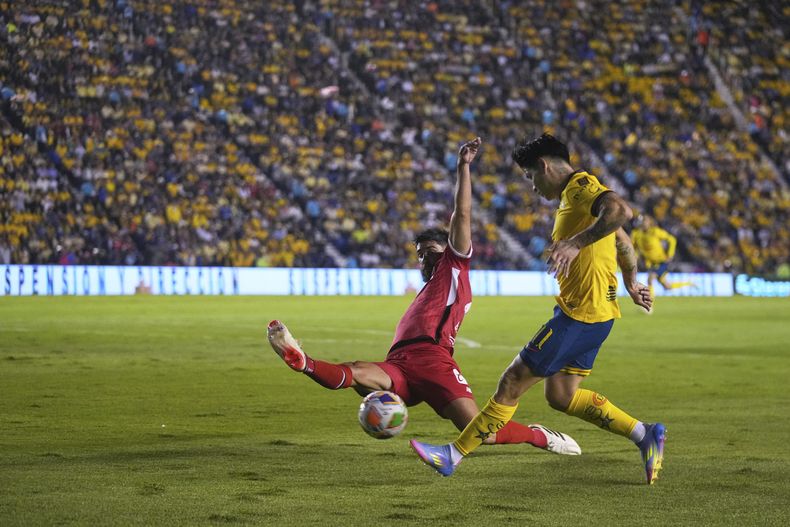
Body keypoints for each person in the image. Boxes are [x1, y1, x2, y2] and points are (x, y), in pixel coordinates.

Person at [268, 137, 580, 455]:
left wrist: (463, 167)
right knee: (356, 371)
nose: (424, 260)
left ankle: (538, 436)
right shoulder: (426, 289)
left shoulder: (453, 266)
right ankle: (303, 362)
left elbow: (462, 214)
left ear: (448, 251)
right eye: (419, 255)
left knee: (478, 431)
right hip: (400, 364)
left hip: (434, 361)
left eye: (430, 252)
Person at [410, 133, 666, 484]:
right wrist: (632, 282)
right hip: (598, 315)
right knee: (561, 396)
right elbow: (622, 239)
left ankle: (452, 454)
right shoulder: (574, 200)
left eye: (531, 177)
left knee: (512, 381)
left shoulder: (580, 188)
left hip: (580, 315)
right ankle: (644, 433)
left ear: (544, 166)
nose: (532, 187)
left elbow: (621, 211)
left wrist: (576, 244)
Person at [632, 215, 695, 301]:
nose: (643, 223)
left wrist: (670, 254)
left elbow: (672, 239)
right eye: (642, 221)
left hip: (662, 261)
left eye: (645, 221)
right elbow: (634, 247)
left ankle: (649, 305)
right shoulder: (636, 234)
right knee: (667, 286)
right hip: (651, 263)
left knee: (650, 278)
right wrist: (635, 256)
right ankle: (689, 284)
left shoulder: (655, 231)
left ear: (649, 222)